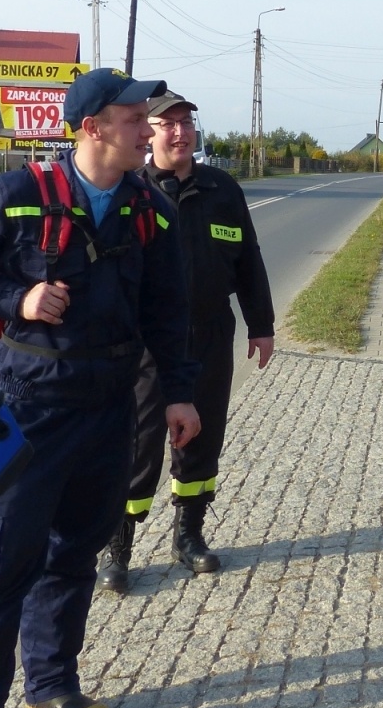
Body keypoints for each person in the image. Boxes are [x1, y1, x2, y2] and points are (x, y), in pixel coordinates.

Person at [0, 69, 200, 708]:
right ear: (92, 128)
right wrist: (16, 298)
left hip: (112, 406)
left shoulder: (147, 209)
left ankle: (52, 685)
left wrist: (179, 393)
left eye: (146, 115)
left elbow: (170, 308)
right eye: (133, 116)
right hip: (35, 407)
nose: (147, 126)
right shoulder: (19, 196)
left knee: (75, 553)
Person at [98, 90, 275, 590]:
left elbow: (249, 260)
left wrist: (261, 324)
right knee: (139, 441)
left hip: (210, 331)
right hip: (147, 343)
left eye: (186, 123)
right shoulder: (127, 191)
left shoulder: (221, 188)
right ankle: (118, 545)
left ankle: (189, 534)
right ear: (148, 132)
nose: (179, 133)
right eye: (167, 124)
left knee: (203, 437)